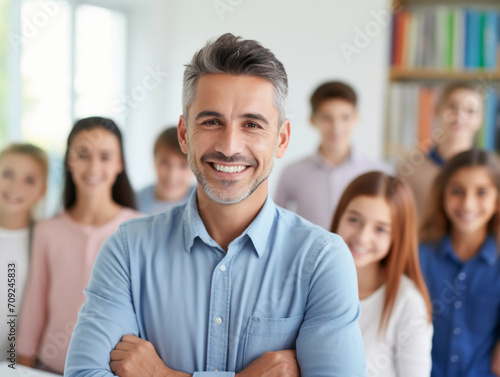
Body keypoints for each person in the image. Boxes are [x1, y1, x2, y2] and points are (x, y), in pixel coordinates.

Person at [64, 33, 365, 377]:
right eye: (211, 122)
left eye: (251, 124)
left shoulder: (322, 261)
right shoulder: (127, 251)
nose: (229, 145)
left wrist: (162, 375)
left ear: (281, 140)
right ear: (183, 134)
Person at [17, 117, 143, 374]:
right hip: (50, 368)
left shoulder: (141, 229)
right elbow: (35, 302)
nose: (93, 166)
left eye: (105, 156)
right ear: (68, 162)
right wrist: (22, 363)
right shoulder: (47, 231)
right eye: (82, 154)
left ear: (120, 163)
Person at [331, 171, 433, 376]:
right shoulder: (312, 283)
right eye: (354, 219)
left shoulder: (408, 302)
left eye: (380, 229)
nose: (362, 236)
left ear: (397, 236)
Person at [419, 149, 500, 377]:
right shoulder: (419, 255)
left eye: (481, 192)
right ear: (442, 195)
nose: (468, 203)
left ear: (497, 200)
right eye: (457, 191)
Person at [274, 81, 392, 229]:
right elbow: (276, 224)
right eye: (326, 118)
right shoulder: (292, 173)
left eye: (345, 117)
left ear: (356, 118)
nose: (336, 127)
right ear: (312, 120)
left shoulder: (380, 173)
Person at [399, 81, 484, 219]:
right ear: (437, 110)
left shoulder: (490, 171)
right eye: (452, 107)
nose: (459, 117)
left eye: (470, 111)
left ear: (480, 120)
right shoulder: (409, 169)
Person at [0, 143, 48, 366]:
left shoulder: (45, 239)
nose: (15, 186)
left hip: (22, 365)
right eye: (7, 174)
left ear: (42, 190)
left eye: (29, 179)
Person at [136, 126, 194, 215]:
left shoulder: (205, 204)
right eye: (164, 163)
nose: (172, 175)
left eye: (183, 165)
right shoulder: (134, 201)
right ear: (154, 160)